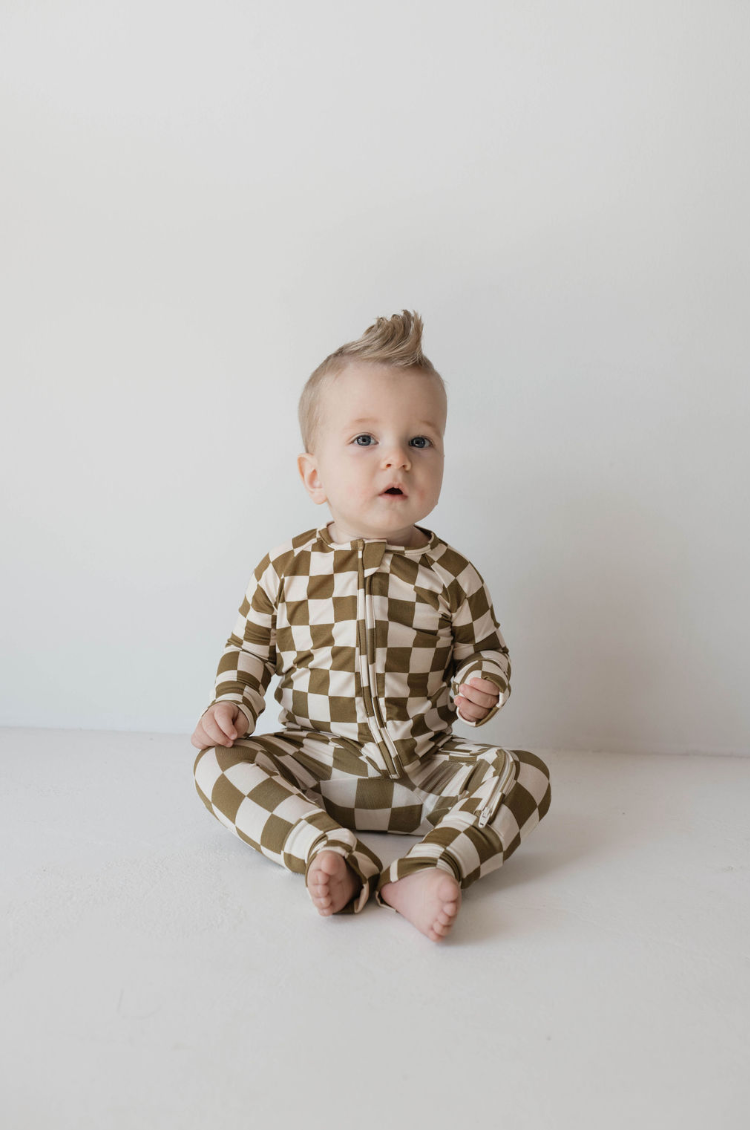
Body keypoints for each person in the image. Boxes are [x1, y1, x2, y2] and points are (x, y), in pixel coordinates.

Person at [191, 310, 551, 942]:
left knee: (527, 775)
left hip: (423, 770)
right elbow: (250, 648)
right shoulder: (285, 568)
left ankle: (425, 867)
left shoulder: (452, 573)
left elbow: (486, 652)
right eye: (365, 441)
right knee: (215, 766)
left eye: (420, 441)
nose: (396, 461)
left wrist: (483, 686)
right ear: (313, 475)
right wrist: (232, 703)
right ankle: (329, 852)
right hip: (314, 768)